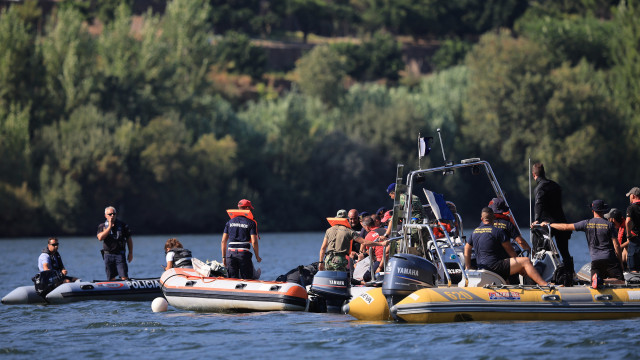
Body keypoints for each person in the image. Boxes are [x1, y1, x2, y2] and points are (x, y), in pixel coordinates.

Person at [543, 200, 624, 287]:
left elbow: (565, 227)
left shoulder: (586, 223)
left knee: (593, 283)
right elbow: (616, 245)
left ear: (593, 211)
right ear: (603, 210)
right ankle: (601, 280)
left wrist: (550, 225)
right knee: (621, 281)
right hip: (610, 259)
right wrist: (620, 262)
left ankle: (597, 280)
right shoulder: (609, 225)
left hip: (595, 261)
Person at [465, 207, 549, 286]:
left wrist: (467, 266)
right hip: (495, 267)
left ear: (482, 219)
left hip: (482, 267)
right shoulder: (498, 231)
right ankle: (544, 284)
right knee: (526, 261)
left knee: (505, 271)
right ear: (494, 217)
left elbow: (467, 248)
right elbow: (511, 252)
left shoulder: (474, 232)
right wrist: (519, 268)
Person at [531, 163, 573, 269]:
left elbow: (538, 203)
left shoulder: (540, 188)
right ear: (544, 173)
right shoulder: (556, 186)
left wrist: (536, 219)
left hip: (548, 224)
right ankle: (569, 273)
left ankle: (546, 272)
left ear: (533, 174)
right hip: (561, 222)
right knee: (564, 251)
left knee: (542, 250)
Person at [318, 209, 388, 272]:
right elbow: (364, 242)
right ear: (347, 219)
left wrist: (321, 262)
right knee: (340, 278)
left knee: (331, 279)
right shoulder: (349, 231)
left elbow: (323, 248)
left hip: (328, 259)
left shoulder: (329, 230)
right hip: (339, 260)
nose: (352, 221)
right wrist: (381, 244)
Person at [221, 199, 262, 279]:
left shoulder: (229, 222)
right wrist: (257, 257)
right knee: (247, 280)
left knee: (232, 280)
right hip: (243, 255)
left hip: (230, 255)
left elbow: (223, 241)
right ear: (247, 208)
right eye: (250, 209)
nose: (251, 211)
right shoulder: (251, 223)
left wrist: (224, 257)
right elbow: (254, 242)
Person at [97, 206, 133, 280]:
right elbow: (100, 238)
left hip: (119, 254)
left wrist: (130, 253)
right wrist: (109, 227)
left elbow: (129, 239)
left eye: (114, 214)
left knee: (124, 277)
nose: (112, 216)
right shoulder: (102, 226)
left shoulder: (123, 225)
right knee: (111, 278)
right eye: (110, 214)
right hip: (108, 255)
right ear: (105, 216)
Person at [625, 187, 640, 273]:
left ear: (633, 196)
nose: (629, 197)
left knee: (633, 268)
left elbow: (628, 222)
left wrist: (628, 235)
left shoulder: (631, 208)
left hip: (635, 239)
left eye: (630, 196)